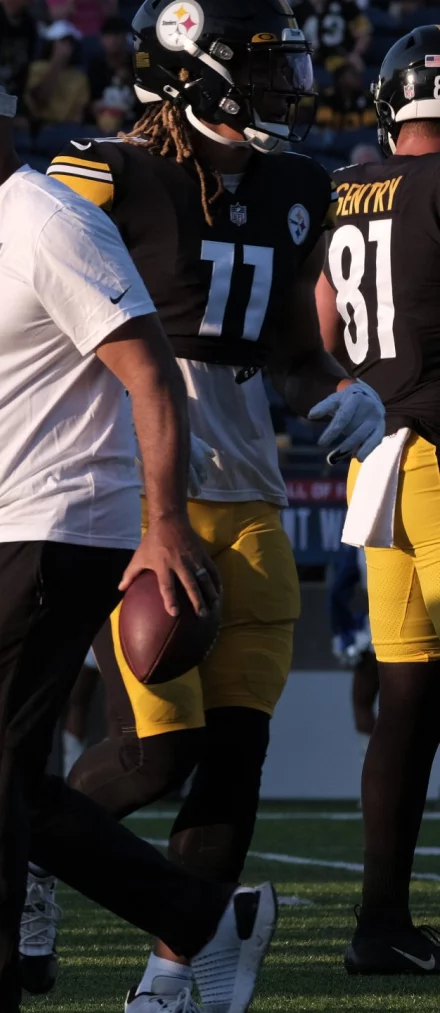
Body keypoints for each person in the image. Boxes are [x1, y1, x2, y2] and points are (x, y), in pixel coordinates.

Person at [0, 56, 283, 1013]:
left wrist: (163, 525)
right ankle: (204, 918)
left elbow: (151, 372)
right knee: (2, 783)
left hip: (56, 524)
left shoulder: (49, 218)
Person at [38, 1, 377, 1002]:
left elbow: (289, 345)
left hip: (252, 489)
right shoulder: (103, 172)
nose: (287, 89)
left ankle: (177, 968)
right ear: (192, 72)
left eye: (286, 70)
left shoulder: (301, 187)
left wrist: (334, 389)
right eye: (264, 71)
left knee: (235, 748)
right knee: (157, 750)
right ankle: (28, 847)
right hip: (142, 492)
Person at [316, 24, 440, 975]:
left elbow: (324, 315)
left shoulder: (350, 184)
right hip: (437, 451)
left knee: (410, 702)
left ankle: (380, 924)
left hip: (378, 460)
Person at [23, 21, 88, 128]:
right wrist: (57, 62)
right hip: (41, 125)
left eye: (70, 43)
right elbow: (39, 102)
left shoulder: (80, 77)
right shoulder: (36, 68)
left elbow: (78, 114)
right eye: (62, 42)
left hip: (68, 128)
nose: (67, 47)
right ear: (51, 44)